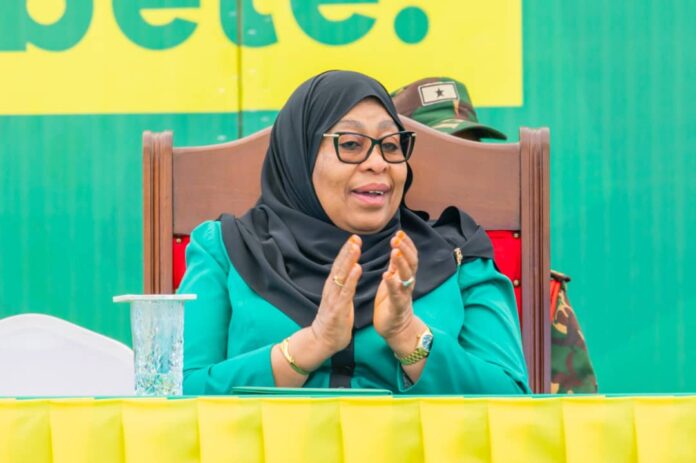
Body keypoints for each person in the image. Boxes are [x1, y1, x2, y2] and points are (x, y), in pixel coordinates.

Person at [178, 70, 530, 395]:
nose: (378, 163)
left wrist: (408, 336)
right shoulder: (227, 249)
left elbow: (513, 400)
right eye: (350, 144)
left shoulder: (457, 252)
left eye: (390, 146)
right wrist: (311, 344)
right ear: (299, 156)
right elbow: (179, 394)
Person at [392, 76, 598, 393]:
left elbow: (574, 410)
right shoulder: (366, 271)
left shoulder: (535, 284)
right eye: (446, 154)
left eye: (473, 151)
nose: (464, 171)